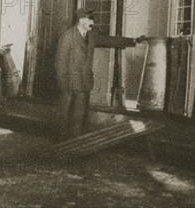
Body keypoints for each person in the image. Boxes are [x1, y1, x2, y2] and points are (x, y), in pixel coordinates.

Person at [55, 8, 145, 139]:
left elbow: (110, 40)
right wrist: (62, 83)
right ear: (81, 20)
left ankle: (76, 141)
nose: (92, 22)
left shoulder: (91, 36)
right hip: (69, 82)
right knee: (65, 114)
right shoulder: (68, 36)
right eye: (89, 19)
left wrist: (134, 41)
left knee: (80, 114)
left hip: (84, 81)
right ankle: (61, 141)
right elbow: (60, 61)